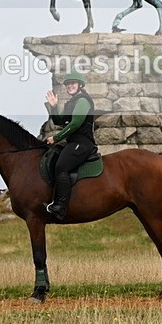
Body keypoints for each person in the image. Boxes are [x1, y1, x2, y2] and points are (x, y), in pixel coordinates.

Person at [43, 70, 96, 220]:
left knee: (61, 166)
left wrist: (57, 137)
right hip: (73, 143)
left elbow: (76, 123)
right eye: (67, 84)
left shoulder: (83, 101)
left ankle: (61, 206)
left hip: (83, 143)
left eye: (72, 83)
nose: (69, 86)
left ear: (79, 84)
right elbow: (59, 121)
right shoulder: (71, 102)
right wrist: (54, 106)